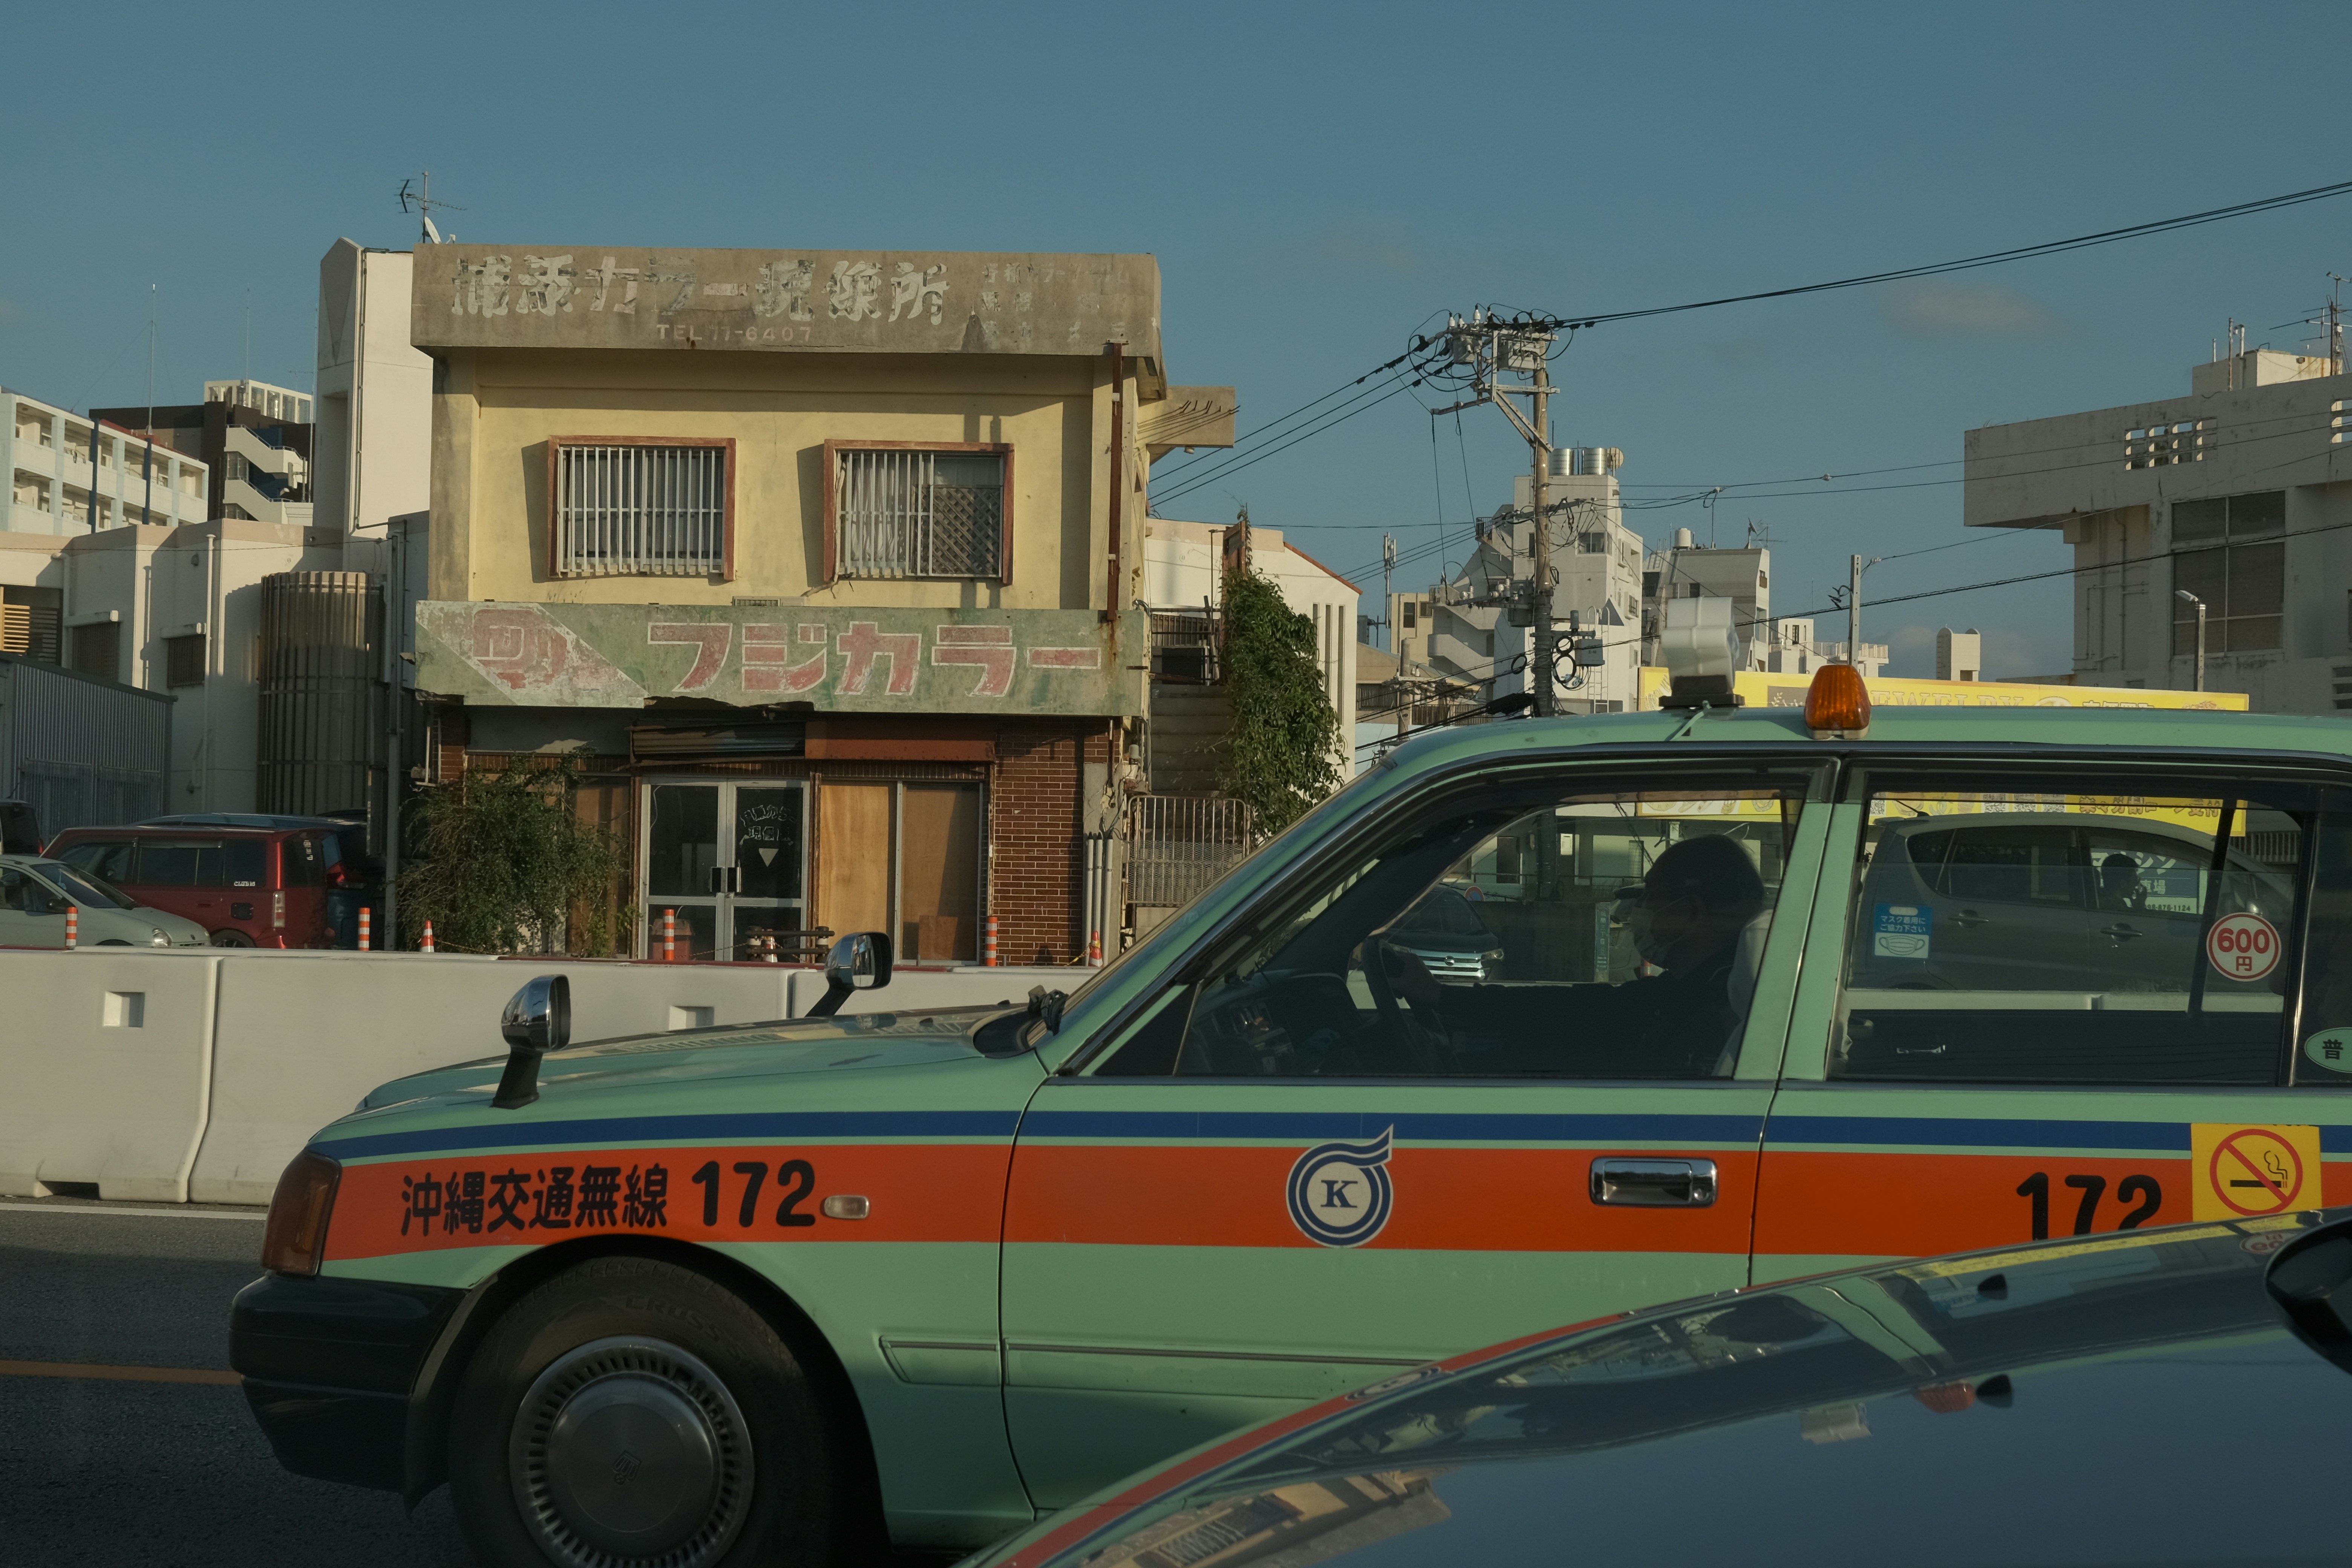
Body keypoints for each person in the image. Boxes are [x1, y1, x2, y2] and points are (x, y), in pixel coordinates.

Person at [1585, 835, 1768, 1076]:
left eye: (1650, 895)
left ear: (1692, 912)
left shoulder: (1720, 1010)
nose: (1639, 907)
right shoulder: (1688, 988)